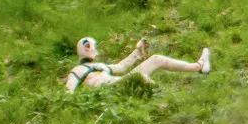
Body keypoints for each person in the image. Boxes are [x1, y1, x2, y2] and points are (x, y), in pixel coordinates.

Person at [65, 36, 212, 92]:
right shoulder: (77, 70)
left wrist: (137, 52)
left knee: (156, 59)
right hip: (110, 89)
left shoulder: (101, 66)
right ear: (86, 48)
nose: (95, 49)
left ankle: (199, 66)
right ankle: (167, 97)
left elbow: (122, 67)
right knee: (142, 77)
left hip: (120, 82)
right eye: (92, 46)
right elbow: (69, 91)